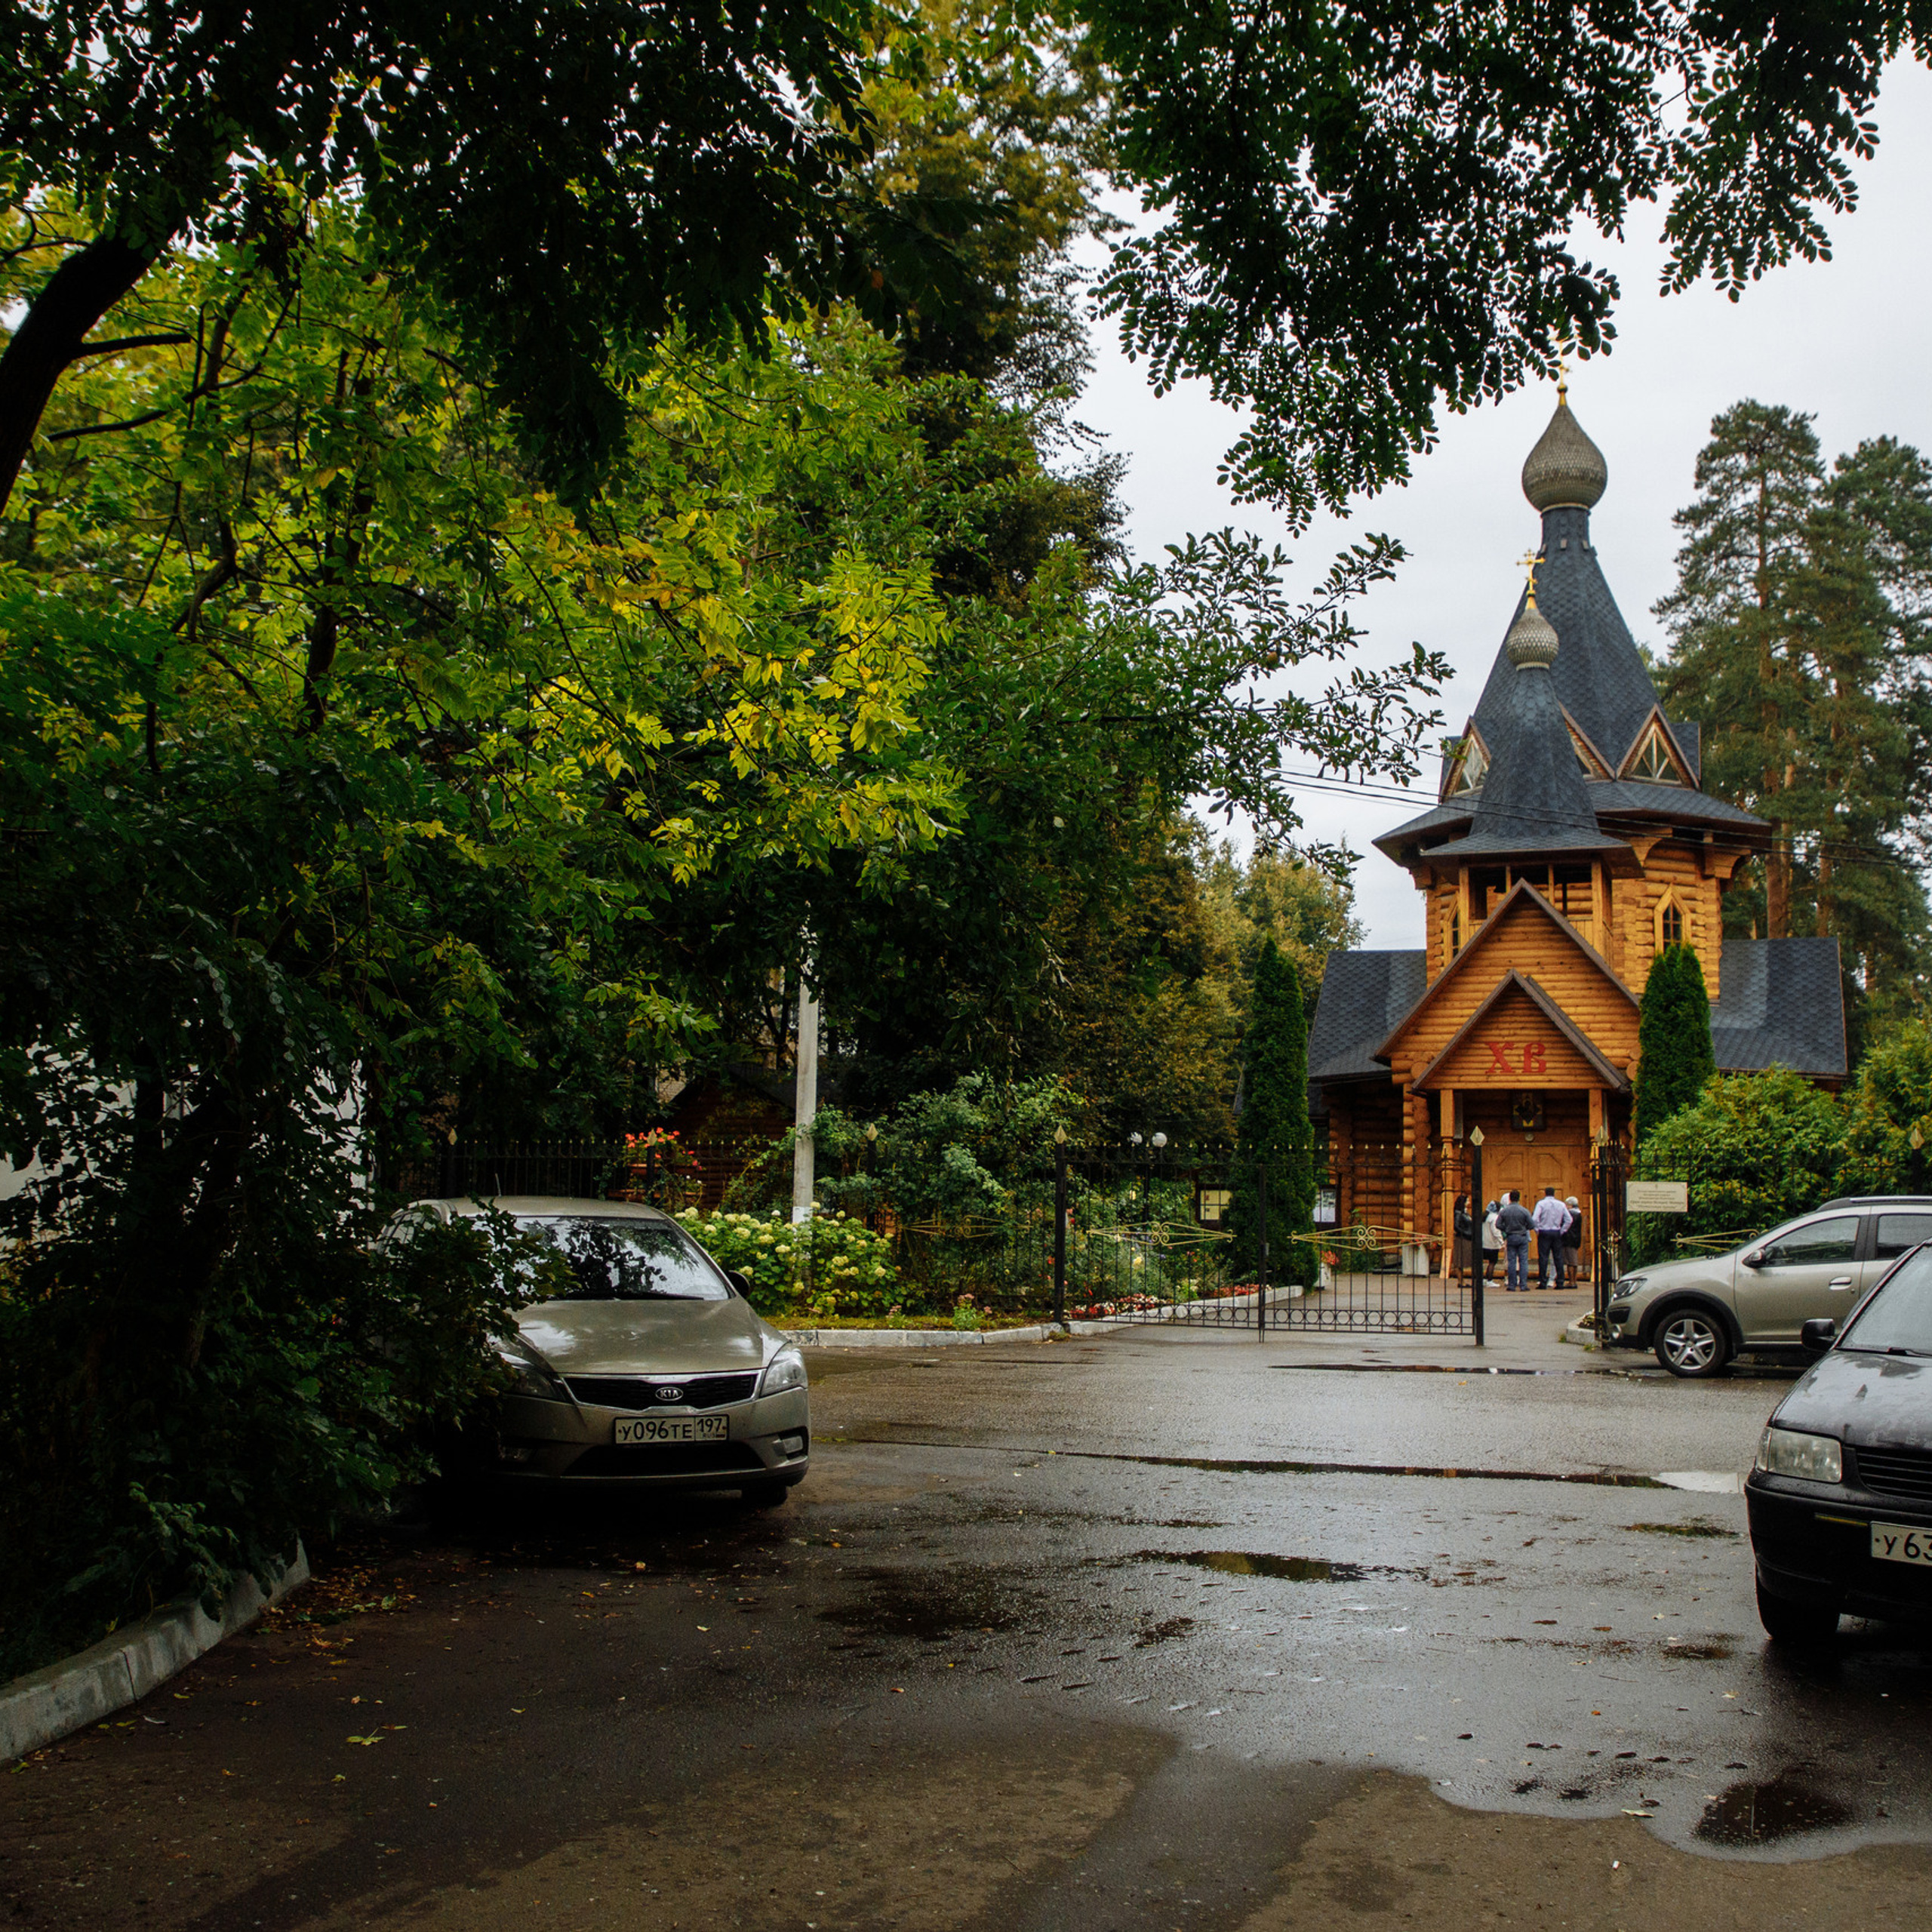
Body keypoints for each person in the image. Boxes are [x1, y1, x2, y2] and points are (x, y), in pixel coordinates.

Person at [1496, 1190, 1534, 1291]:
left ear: (1510, 1198)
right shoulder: (1524, 1210)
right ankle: (1523, 1285)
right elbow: (1532, 1225)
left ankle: (1511, 1285)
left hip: (1511, 1236)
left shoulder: (1504, 1211)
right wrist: (1524, 1228)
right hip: (1522, 1236)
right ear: (1519, 1198)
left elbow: (1498, 1224)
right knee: (1523, 1261)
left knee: (1512, 1261)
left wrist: (1506, 1229)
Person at [1531, 1186, 1568, 1288]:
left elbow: (1534, 1219)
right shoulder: (1561, 1204)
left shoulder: (1541, 1204)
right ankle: (1560, 1282)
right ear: (1554, 1193)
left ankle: (1543, 1281)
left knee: (1543, 1258)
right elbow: (1569, 1219)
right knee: (1558, 1257)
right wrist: (1562, 1230)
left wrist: (1537, 1230)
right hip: (1556, 1231)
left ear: (1545, 1193)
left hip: (1544, 1231)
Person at [1561, 1195, 1584, 1287]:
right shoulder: (1579, 1214)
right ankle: (1574, 1281)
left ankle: (1572, 1282)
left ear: (1571, 1205)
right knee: (1574, 1261)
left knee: (1570, 1262)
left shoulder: (1570, 1214)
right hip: (1575, 1239)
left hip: (1569, 1239)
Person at [1453, 1192, 1475, 1280]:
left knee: (1464, 1260)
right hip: (1462, 1239)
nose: (1469, 1202)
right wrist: (1466, 1233)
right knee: (1459, 1261)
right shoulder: (1459, 1213)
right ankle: (1460, 1281)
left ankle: (1462, 1281)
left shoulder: (1465, 1213)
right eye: (1467, 1201)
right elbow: (1456, 1226)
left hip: (1467, 1239)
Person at [1481, 1201, 1502, 1281]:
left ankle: (1483, 1280)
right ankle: (1489, 1280)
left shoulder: (1484, 1216)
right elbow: (1496, 1231)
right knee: (1492, 1262)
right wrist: (1501, 1241)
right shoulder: (1495, 1218)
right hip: (1492, 1244)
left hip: (1484, 1243)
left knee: (1482, 1261)